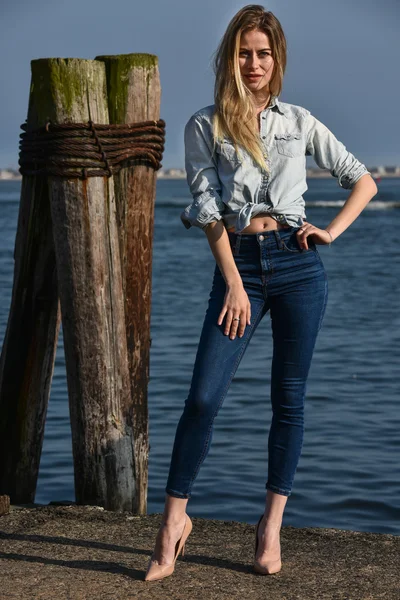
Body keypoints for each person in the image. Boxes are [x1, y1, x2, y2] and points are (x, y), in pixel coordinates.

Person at [144, 4, 378, 581]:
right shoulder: (205, 125)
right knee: (203, 397)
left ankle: (270, 525)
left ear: (277, 61)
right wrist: (232, 283)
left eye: (263, 54)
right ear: (231, 57)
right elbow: (206, 211)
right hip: (240, 268)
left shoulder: (298, 121)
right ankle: (173, 523)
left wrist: (330, 231)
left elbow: (363, 179)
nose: (253, 63)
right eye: (244, 52)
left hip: (300, 266)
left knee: (288, 399)